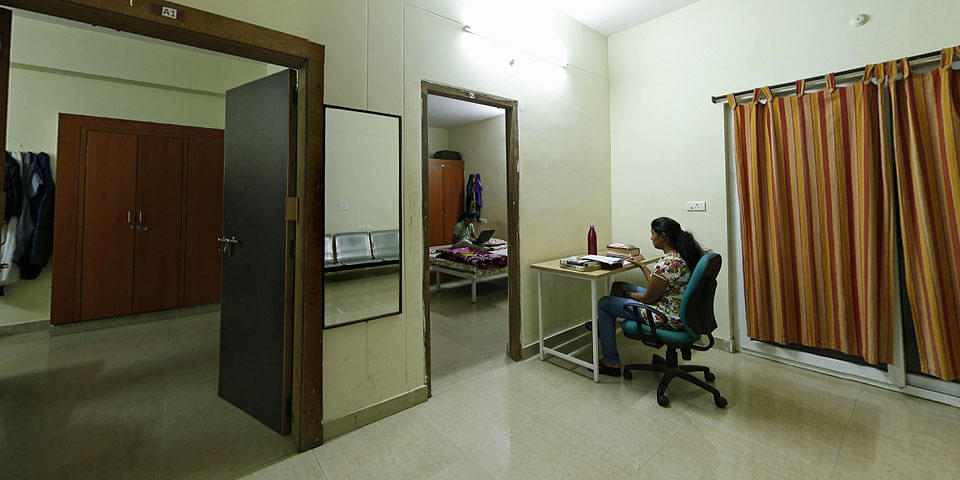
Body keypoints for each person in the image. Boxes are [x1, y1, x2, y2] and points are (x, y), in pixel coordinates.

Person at [594, 217, 704, 377]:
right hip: (677, 309)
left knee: (604, 303)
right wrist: (642, 265)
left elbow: (649, 298)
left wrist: (626, 294)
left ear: (663, 236)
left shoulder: (667, 264)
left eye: (653, 234)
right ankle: (605, 328)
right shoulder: (681, 257)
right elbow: (658, 281)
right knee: (619, 284)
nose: (651, 238)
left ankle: (611, 361)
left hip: (665, 316)